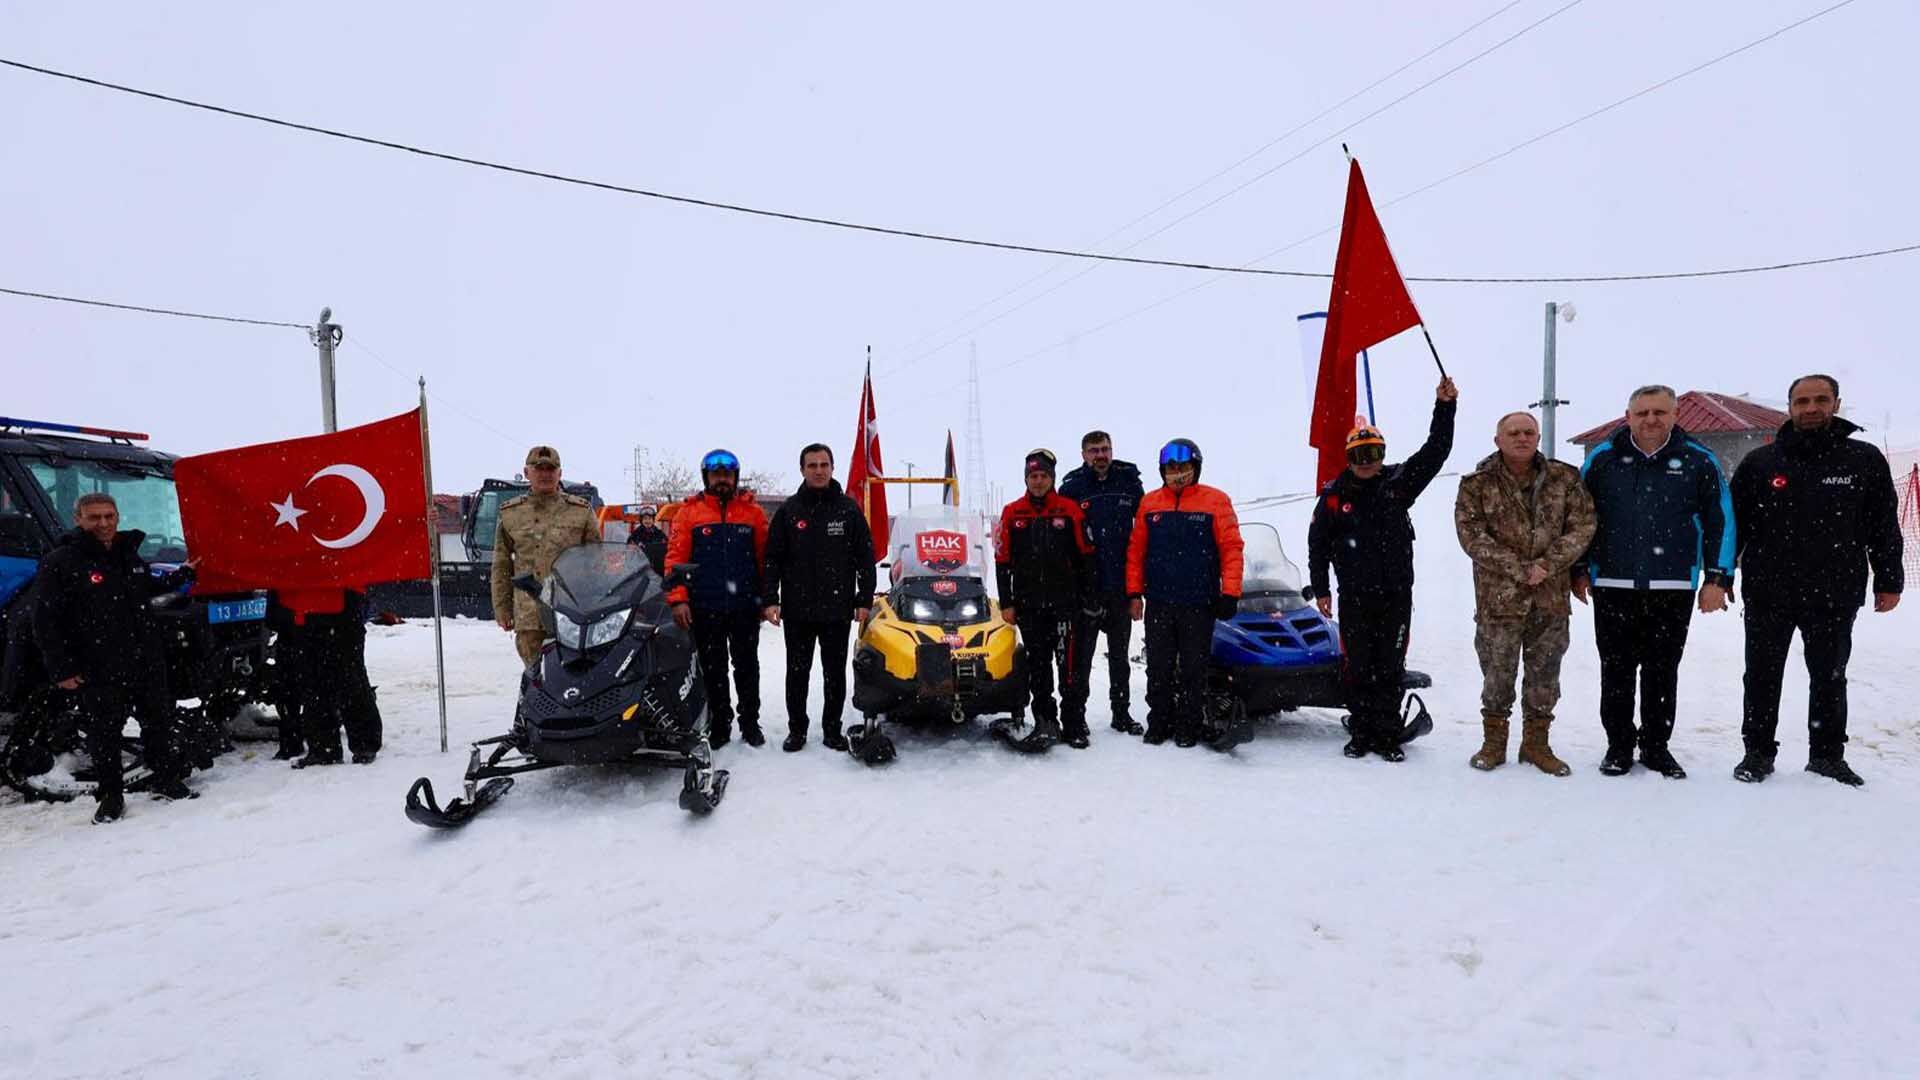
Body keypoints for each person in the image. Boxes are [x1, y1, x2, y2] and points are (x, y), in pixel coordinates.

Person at [1730, 375, 1904, 786]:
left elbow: (1883, 524)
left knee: (1830, 676)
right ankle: (1757, 752)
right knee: (1761, 675)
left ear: (1836, 404)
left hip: (1835, 591)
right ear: (1790, 406)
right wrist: (1719, 575)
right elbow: (1733, 526)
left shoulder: (1862, 460)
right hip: (1768, 591)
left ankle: (1827, 755)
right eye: (1802, 401)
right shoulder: (1760, 462)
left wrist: (1889, 578)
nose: (1811, 408)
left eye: (1820, 400)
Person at [1575, 384, 1734, 779]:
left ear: (1675, 415)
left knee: (1662, 671)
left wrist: (1717, 577)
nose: (1651, 419)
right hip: (1613, 584)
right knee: (1616, 671)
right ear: (1628, 416)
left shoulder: (1698, 460)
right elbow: (1577, 518)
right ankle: (1618, 746)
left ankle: (1656, 747)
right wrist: (1577, 568)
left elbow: (1721, 519)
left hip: (1672, 585)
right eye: (1642, 412)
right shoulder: (1603, 459)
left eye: (1659, 412)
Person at [1307, 376, 1458, 761]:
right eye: (1359, 455)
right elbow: (1318, 545)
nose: (1367, 462)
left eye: (1373, 453)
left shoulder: (1398, 483)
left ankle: (1388, 734)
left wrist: (1445, 407)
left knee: (1390, 666)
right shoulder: (1333, 496)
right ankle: (1361, 732)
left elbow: (1436, 451)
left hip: (1395, 595)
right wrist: (1321, 589)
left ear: (1382, 453)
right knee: (1358, 666)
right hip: (1354, 597)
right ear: (1348, 458)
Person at [30, 492, 198, 822]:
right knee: (105, 734)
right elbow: (45, 620)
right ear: (78, 519)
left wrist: (181, 575)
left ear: (117, 517)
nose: (103, 523)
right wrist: (61, 668)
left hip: (144, 658)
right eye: (94, 517)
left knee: (158, 723)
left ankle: (165, 780)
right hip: (98, 664)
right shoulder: (61, 561)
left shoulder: (127, 554)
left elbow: (144, 586)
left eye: (109, 516)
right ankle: (111, 797)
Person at [1454, 410, 1595, 775]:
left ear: (1537, 438)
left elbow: (1583, 526)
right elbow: (1471, 536)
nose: (1522, 438)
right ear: (1497, 440)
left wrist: (1547, 564)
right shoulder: (1477, 484)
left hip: (1550, 596)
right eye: (1513, 433)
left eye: (1528, 432)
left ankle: (1536, 744)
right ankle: (1493, 742)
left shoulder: (1564, 479)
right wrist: (1519, 568)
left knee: (1545, 674)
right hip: (1499, 599)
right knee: (1497, 673)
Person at [1125, 439, 1243, 748]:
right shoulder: (1150, 503)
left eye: (1184, 467)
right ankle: (1159, 721)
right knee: (1159, 667)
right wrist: (1134, 592)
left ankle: (1189, 724)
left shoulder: (1216, 501)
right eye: (1171, 467)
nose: (1177, 473)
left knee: (1194, 668)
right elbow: (1136, 551)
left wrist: (1230, 592)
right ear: (1162, 470)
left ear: (1195, 469)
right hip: (1160, 601)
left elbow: (1231, 549)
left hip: (1199, 603)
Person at [762, 444, 875, 753]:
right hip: (797, 610)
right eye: (812, 465)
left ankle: (832, 730)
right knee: (797, 674)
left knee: (834, 674)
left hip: (837, 610)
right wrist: (770, 599)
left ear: (832, 468)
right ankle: (796, 730)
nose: (819, 470)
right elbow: (772, 559)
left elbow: (865, 557)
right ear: (802, 470)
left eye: (824, 464)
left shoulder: (848, 510)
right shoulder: (789, 511)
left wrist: (864, 599)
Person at [666, 449, 771, 749]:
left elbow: (765, 560)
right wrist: (678, 599)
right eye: (716, 475)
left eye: (727, 474)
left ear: (735, 477)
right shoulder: (689, 513)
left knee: (747, 667)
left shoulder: (753, 513)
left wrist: (767, 599)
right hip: (704, 606)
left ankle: (750, 723)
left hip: (744, 606)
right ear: (707, 477)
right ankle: (720, 723)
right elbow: (675, 559)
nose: (722, 479)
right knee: (713, 669)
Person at [996, 449, 1097, 748]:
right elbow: (1002, 561)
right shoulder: (1013, 512)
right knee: (1038, 669)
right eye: (1033, 476)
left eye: (1043, 476)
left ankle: (1074, 723)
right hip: (1029, 607)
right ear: (1026, 479)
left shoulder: (1069, 509)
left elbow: (1087, 558)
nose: (1038, 481)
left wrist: (1088, 598)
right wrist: (1007, 603)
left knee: (1069, 669)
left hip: (1065, 606)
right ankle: (1045, 721)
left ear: (1052, 478)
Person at [1058, 430, 1146, 736]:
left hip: (1120, 587)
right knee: (1081, 659)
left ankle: (1121, 713)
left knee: (1120, 658)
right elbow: (1064, 542)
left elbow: (1142, 535)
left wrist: (1136, 591)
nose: (1101, 455)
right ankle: (1077, 717)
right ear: (1083, 455)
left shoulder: (1128, 481)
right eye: (1094, 450)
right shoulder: (1072, 487)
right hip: (1087, 590)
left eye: (1105, 449)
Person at [491, 446, 600, 667]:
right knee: (535, 676)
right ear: (527, 472)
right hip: (529, 615)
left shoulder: (581, 511)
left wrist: (597, 607)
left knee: (575, 674)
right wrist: (502, 608)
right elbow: (501, 565)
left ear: (560, 473)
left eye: (551, 469)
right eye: (538, 468)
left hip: (571, 613)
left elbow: (596, 562)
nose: (545, 474)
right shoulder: (511, 514)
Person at [283, 589, 383, 769]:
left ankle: (358, 745)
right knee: (317, 685)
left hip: (335, 608)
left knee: (348, 681)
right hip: (312, 610)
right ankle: (328, 747)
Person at [627, 504, 669, 573]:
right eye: (645, 519)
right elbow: (629, 548)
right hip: (640, 566)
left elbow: (667, 546)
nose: (647, 521)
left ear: (653, 520)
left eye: (649, 519)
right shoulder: (636, 534)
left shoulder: (659, 533)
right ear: (641, 520)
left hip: (657, 566)